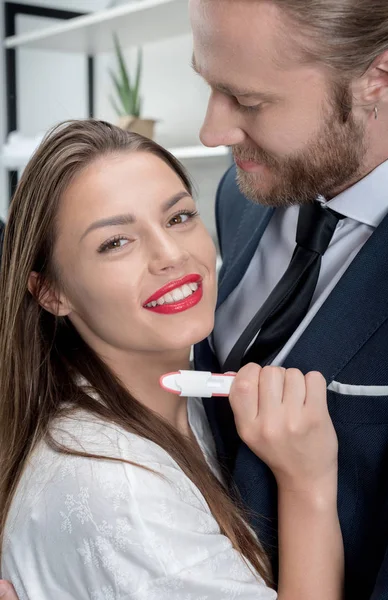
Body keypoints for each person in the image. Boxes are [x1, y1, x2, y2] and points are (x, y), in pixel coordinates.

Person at [0, 120, 343, 599]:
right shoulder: (121, 489)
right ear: (51, 292)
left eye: (179, 217)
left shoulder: (174, 394)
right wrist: (309, 485)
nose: (170, 255)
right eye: (115, 242)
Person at [190, 0, 388, 598]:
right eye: (208, 84)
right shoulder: (242, 190)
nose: (212, 133)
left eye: (251, 101)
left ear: (383, 79)